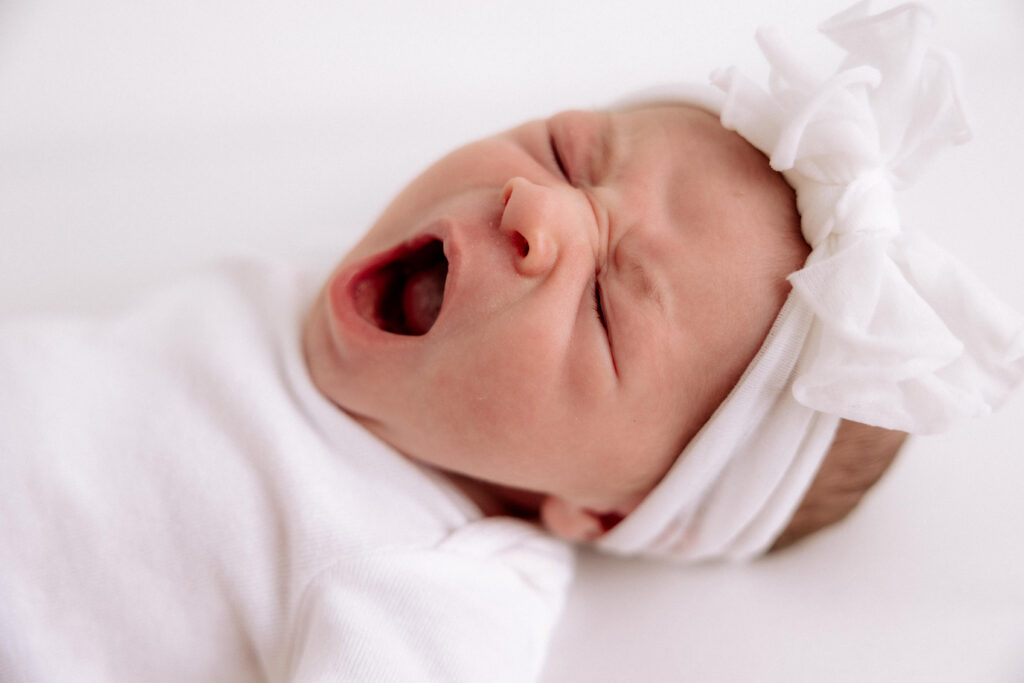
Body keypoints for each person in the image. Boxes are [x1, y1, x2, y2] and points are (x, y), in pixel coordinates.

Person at [1, 2, 1020, 681]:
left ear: (599, 505)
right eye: (569, 153)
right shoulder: (351, 264)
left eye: (606, 311)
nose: (536, 206)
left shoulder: (432, 575)